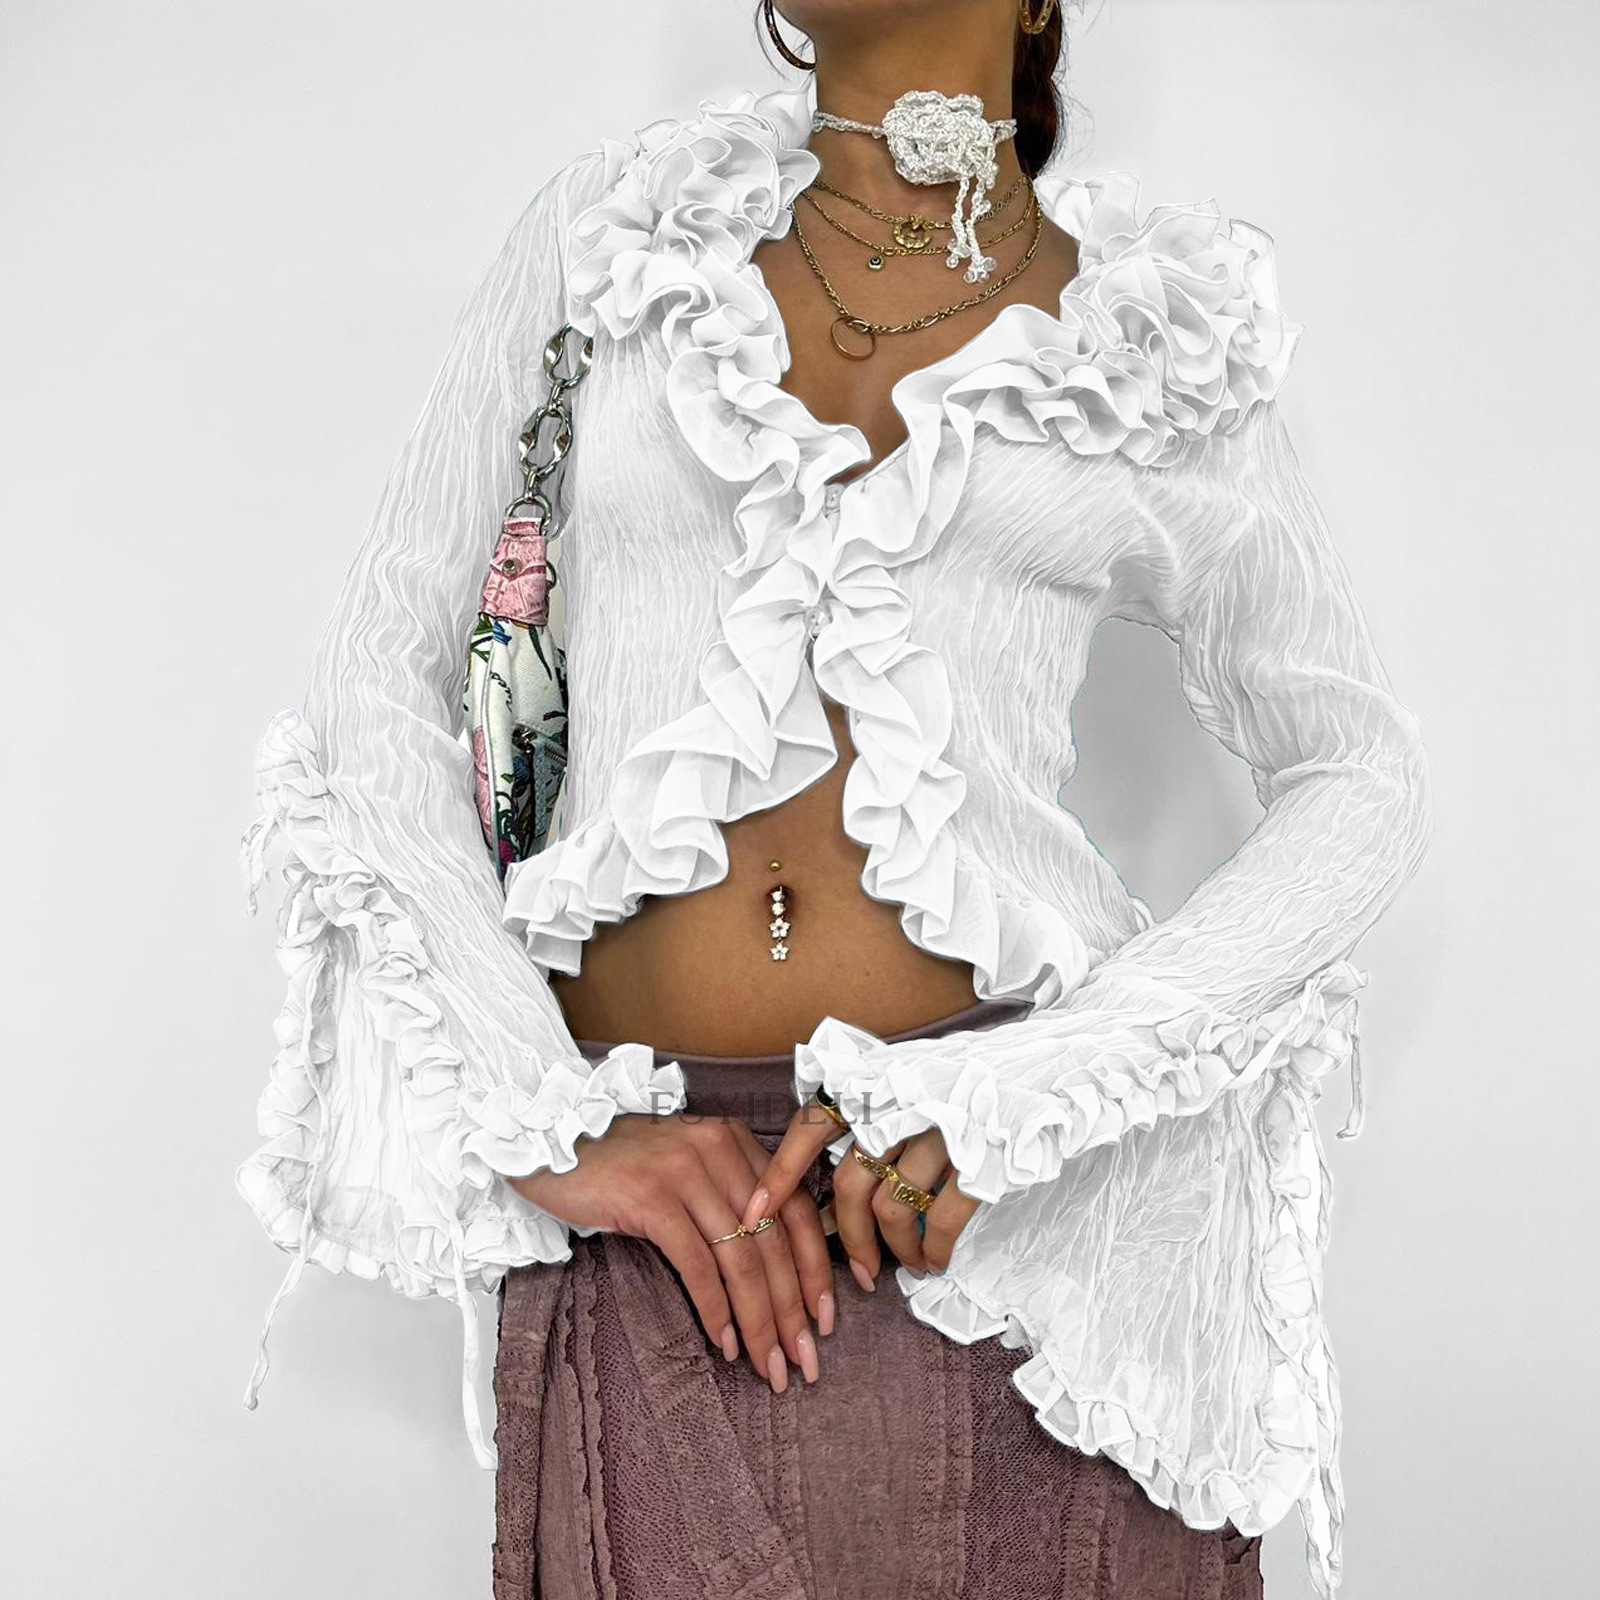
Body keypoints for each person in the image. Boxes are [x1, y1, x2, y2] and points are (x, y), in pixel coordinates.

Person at [235, 2, 1431, 1596]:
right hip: (674, 1236)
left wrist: (1036, 1094)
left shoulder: (1152, 326)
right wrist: (553, 1119)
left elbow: (1360, 774)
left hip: (1006, 1249)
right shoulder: (615, 235)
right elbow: (374, 687)